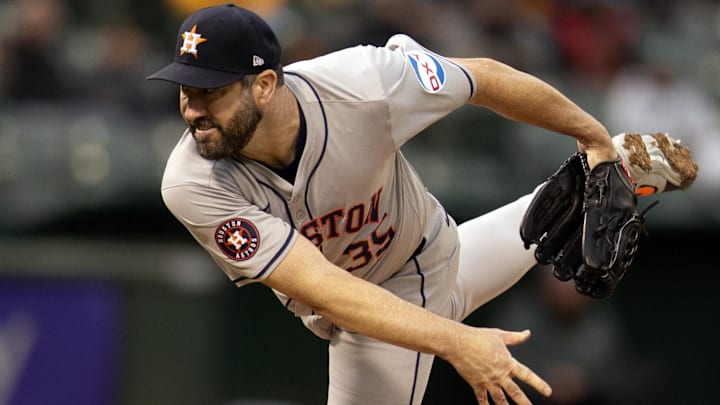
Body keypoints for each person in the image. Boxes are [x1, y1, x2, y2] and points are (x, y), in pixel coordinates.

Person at [146, 4, 686, 404]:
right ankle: (626, 161)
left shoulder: (364, 84)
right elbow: (322, 286)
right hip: (390, 287)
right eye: (184, 89)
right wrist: (458, 342)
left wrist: (590, 136)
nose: (191, 109)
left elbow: (485, 78)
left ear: (264, 84)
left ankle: (615, 156)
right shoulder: (193, 182)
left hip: (407, 277)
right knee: (550, 215)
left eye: (210, 92)